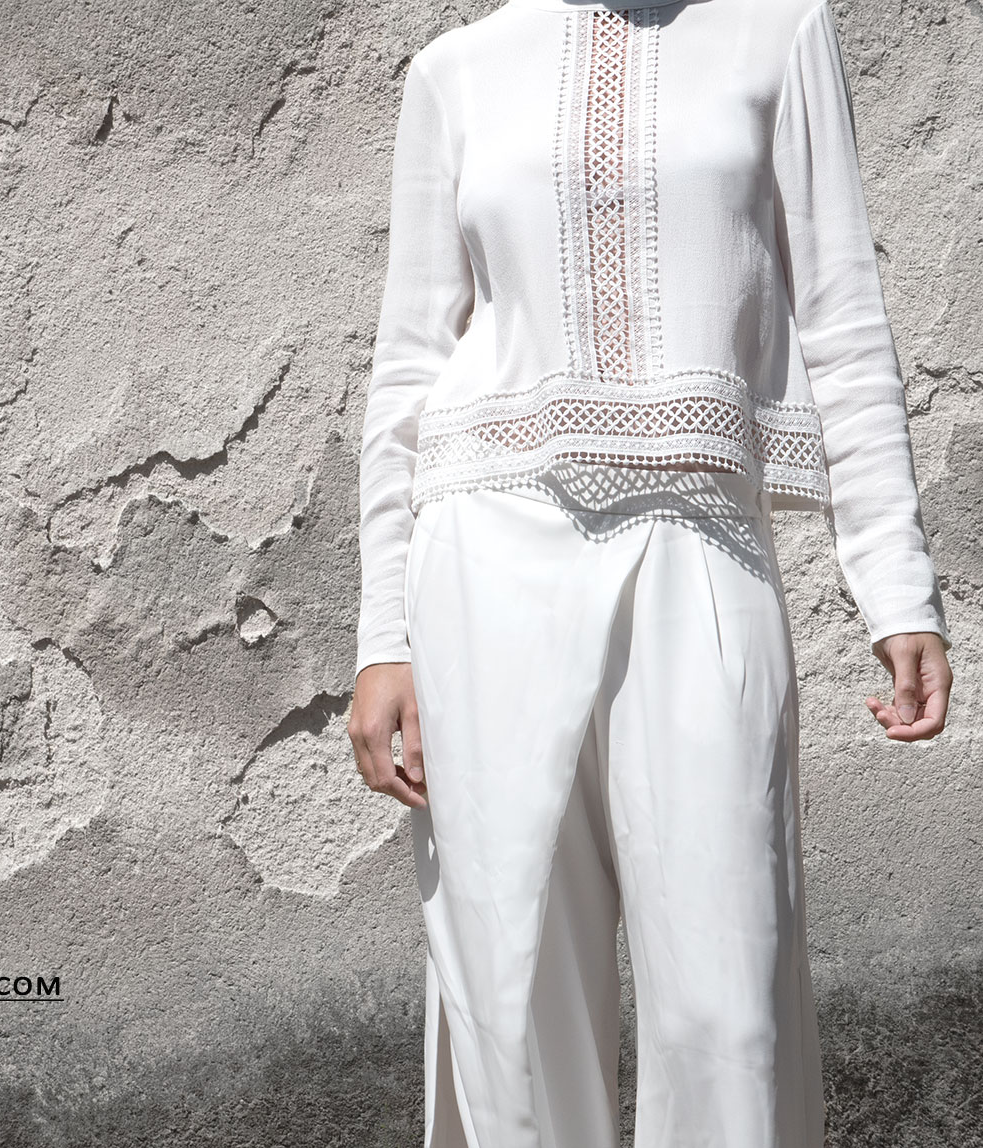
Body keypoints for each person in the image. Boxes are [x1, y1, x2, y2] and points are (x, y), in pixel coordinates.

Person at [346, 0, 955, 1145]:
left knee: (729, 1008)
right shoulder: (457, 71)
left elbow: (844, 319)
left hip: (701, 544)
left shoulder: (779, 34)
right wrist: (384, 634)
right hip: (482, 554)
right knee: (514, 996)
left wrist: (894, 581)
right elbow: (410, 364)